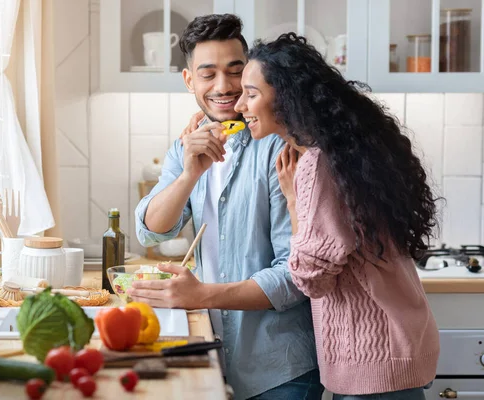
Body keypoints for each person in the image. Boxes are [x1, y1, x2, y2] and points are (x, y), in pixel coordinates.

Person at [233, 32, 440, 400]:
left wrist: (295, 204)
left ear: (285, 97)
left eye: (251, 94)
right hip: (400, 349)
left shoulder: (317, 165)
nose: (239, 106)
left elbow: (310, 279)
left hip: (372, 365)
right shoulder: (347, 151)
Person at [131, 14, 323, 400]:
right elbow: (150, 229)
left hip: (279, 369)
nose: (224, 87)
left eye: (235, 72)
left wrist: (200, 295)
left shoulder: (280, 147)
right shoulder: (187, 144)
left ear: (250, 72)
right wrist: (188, 176)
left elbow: (296, 274)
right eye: (208, 74)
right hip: (213, 355)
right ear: (189, 81)